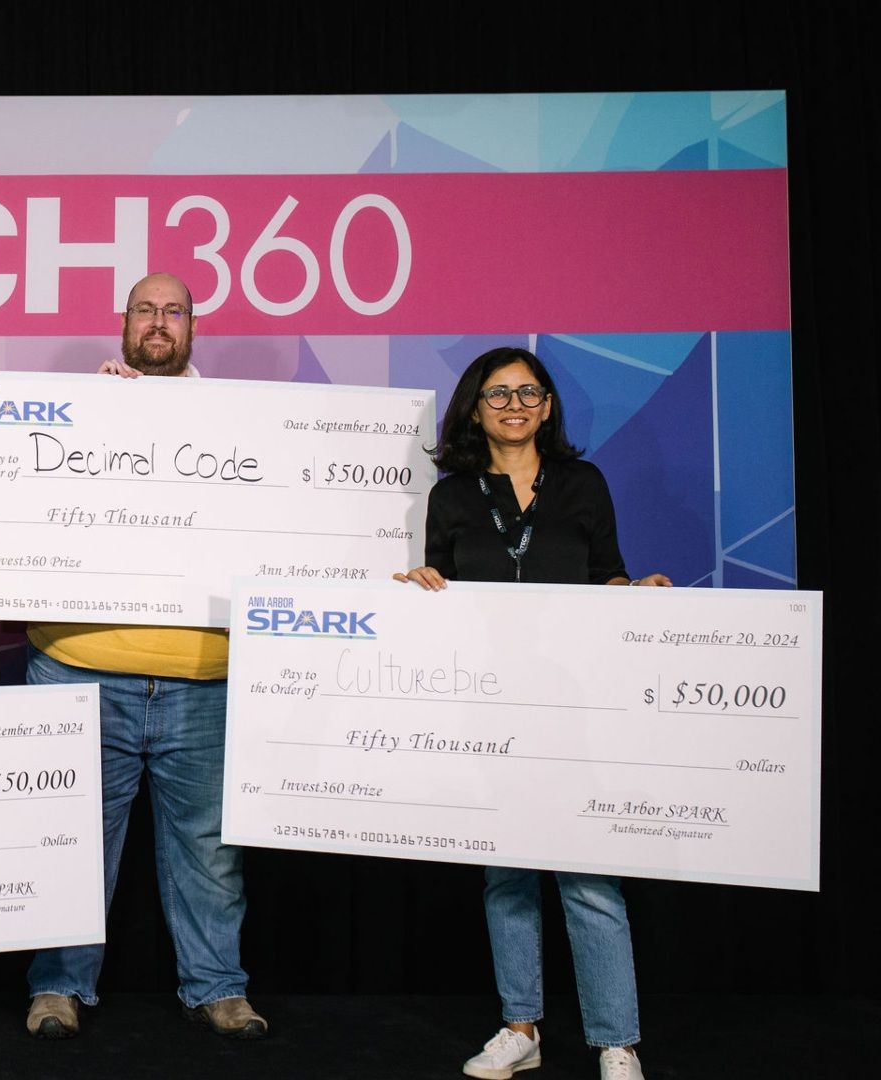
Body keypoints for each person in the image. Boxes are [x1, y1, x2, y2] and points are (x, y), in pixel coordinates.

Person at [395, 345, 667, 1080]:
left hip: (575, 701)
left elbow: (606, 570)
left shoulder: (583, 483)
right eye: (498, 394)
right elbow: (440, 595)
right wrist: (416, 584)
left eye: (528, 392)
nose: (514, 405)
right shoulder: (452, 496)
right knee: (507, 874)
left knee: (590, 875)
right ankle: (521, 1027)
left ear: (547, 406)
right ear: (474, 408)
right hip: (489, 705)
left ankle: (617, 1040)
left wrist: (631, 590)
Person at [22, 272, 267, 1042]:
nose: (158, 323)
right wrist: (92, 419)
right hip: (80, 667)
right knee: (71, 837)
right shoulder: (78, 413)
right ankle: (59, 984)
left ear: (193, 328)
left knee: (210, 852)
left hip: (202, 675)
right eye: (145, 311)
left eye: (174, 312)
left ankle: (218, 987)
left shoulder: (244, 424)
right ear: (123, 324)